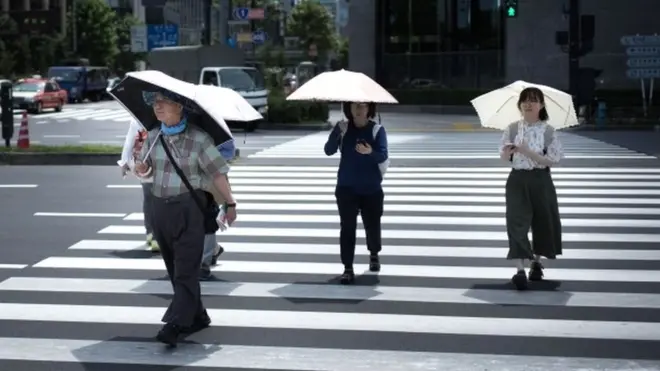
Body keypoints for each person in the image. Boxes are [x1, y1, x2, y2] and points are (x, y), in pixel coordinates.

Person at [133, 91, 237, 346]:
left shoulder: (199, 139)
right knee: (174, 269)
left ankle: (176, 323)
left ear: (179, 106)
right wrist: (141, 168)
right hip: (160, 208)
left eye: (163, 103)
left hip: (189, 208)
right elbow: (143, 169)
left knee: (185, 270)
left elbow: (217, 174)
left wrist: (230, 203)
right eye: (154, 103)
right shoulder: (154, 134)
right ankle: (198, 314)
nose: (157, 107)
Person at [498, 87, 564, 291]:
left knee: (543, 221)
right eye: (525, 100)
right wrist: (508, 152)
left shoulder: (549, 131)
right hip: (517, 179)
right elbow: (503, 157)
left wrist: (527, 151)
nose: (528, 104)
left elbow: (551, 160)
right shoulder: (511, 128)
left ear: (541, 105)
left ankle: (536, 262)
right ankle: (519, 271)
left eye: (533, 100)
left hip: (540, 180)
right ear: (520, 105)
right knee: (516, 222)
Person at [323, 102, 388, 285]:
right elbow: (328, 151)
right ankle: (347, 268)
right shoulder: (343, 128)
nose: (358, 110)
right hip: (346, 187)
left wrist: (370, 152)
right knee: (347, 228)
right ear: (349, 109)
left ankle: (374, 253)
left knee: (372, 225)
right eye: (354, 106)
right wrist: (337, 133)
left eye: (363, 106)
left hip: (371, 188)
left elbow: (383, 155)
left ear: (369, 109)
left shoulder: (377, 130)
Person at [119, 119, 159, 252]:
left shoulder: (138, 118)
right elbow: (130, 139)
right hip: (147, 165)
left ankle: (152, 234)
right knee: (152, 199)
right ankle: (153, 235)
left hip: (151, 164)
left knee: (151, 199)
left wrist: (124, 162)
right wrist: (124, 161)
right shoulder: (139, 119)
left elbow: (129, 140)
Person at [199, 139, 236, 280]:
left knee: (208, 219)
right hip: (183, 183)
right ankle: (214, 249)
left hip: (210, 179)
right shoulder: (171, 130)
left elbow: (228, 151)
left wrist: (210, 156)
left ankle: (204, 263)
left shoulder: (214, 132)